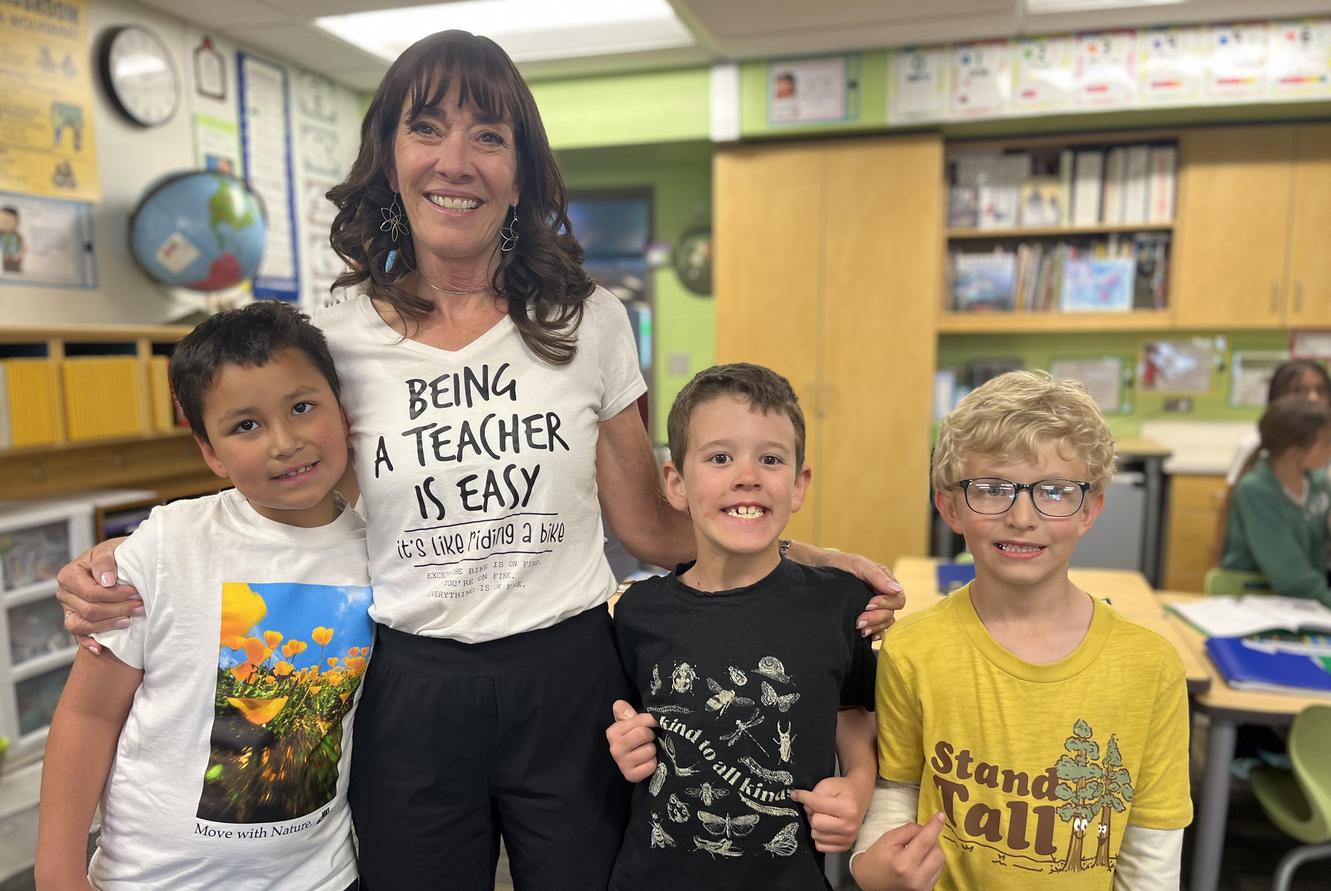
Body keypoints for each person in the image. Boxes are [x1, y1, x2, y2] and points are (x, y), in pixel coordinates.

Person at [55, 30, 903, 890]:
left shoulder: (591, 319)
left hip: (569, 676)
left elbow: (650, 526)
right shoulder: (334, 337)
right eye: (426, 128)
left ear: (522, 173)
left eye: (489, 137)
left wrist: (802, 559)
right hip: (411, 684)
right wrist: (128, 560)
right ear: (389, 156)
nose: (454, 160)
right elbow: (291, 498)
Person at [35, 301, 370, 890]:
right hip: (155, 880)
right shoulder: (167, 544)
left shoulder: (381, 547)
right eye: (246, 425)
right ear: (210, 452)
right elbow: (88, 716)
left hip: (319, 876)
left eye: (301, 407)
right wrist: (57, 873)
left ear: (342, 414)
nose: (285, 442)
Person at [850, 371, 1192, 891]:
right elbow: (899, 789)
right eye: (992, 489)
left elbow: (1151, 852)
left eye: (1054, 491)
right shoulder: (911, 648)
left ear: (1091, 509)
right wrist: (868, 861)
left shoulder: (1152, 667)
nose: (1022, 516)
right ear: (950, 506)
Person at [605, 363, 877, 889]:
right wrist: (623, 743)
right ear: (677, 483)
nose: (746, 475)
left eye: (770, 459)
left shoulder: (839, 604)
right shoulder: (637, 612)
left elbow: (853, 708)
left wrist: (859, 784)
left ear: (798, 485)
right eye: (720, 457)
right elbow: (621, 724)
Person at [1219, 397, 1331, 606]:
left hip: (1307, 601)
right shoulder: (1255, 491)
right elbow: (1290, 575)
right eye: (1326, 443)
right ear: (1293, 453)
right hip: (1252, 599)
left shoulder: (1319, 486)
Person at [1224, 359, 1331, 486]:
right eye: (1300, 390)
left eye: (1321, 390)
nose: (1314, 398)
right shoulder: (1254, 443)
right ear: (1278, 397)